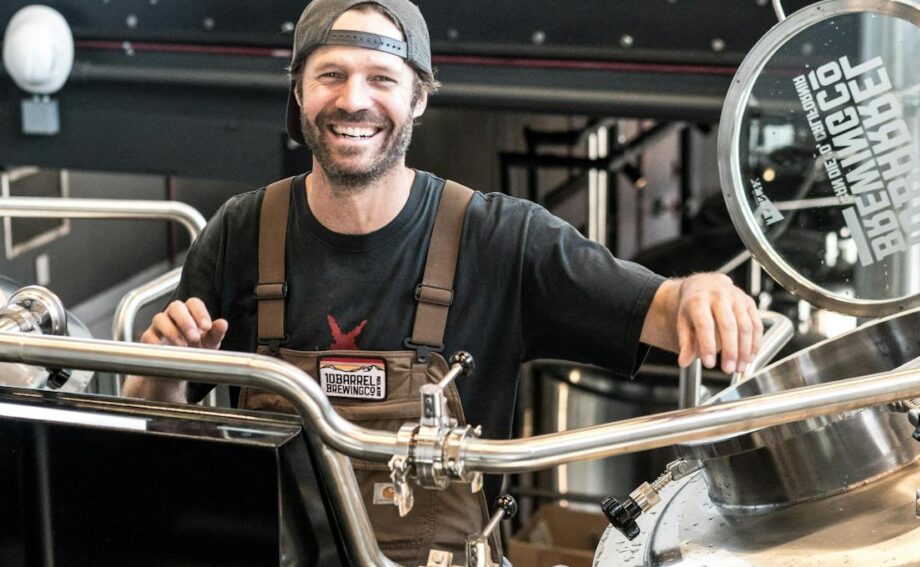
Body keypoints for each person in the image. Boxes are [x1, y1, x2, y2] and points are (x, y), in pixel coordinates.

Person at [122, 0, 762, 563]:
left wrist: (701, 291)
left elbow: (657, 307)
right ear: (299, 92)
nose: (353, 100)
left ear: (418, 98)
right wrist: (164, 368)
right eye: (331, 75)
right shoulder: (241, 232)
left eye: (381, 79)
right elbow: (153, 419)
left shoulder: (500, 238)